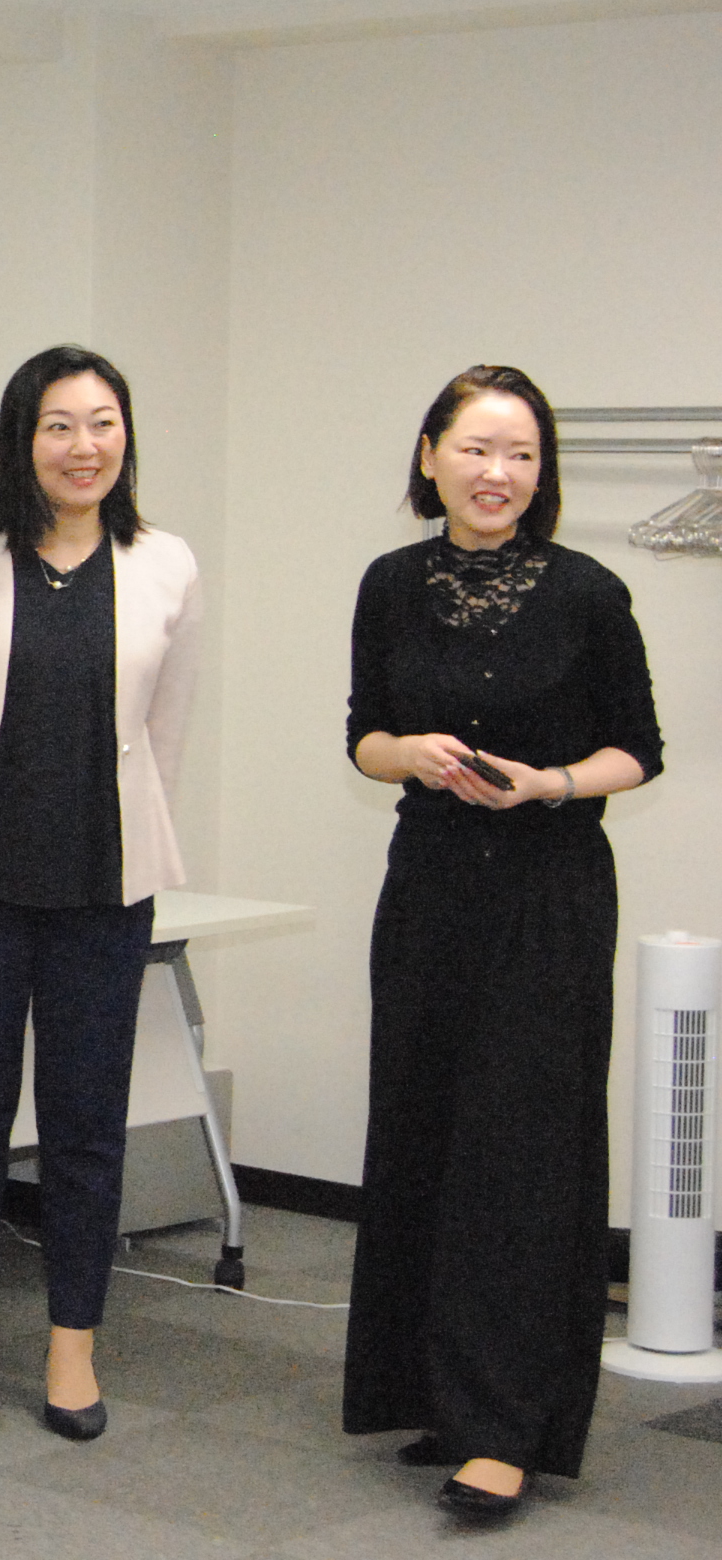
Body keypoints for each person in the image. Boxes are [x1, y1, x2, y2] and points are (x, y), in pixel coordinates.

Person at [0, 343, 201, 1444]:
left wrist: (148, 853)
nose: (83, 446)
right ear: (23, 441)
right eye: (59, 425)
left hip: (104, 893)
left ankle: (72, 1343)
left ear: (126, 438)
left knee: (86, 1125)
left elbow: (164, 737)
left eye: (103, 423)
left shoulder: (164, 563)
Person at [340, 365, 659, 1521]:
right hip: (428, 884)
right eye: (475, 449)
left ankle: (505, 1427)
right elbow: (362, 736)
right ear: (429, 456)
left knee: (519, 1152)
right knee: (423, 1127)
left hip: (547, 890)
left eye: (520, 454)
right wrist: (412, 755)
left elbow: (639, 751)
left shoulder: (588, 593)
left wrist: (550, 782)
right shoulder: (389, 585)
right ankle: (435, 1396)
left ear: (541, 472)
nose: (497, 473)